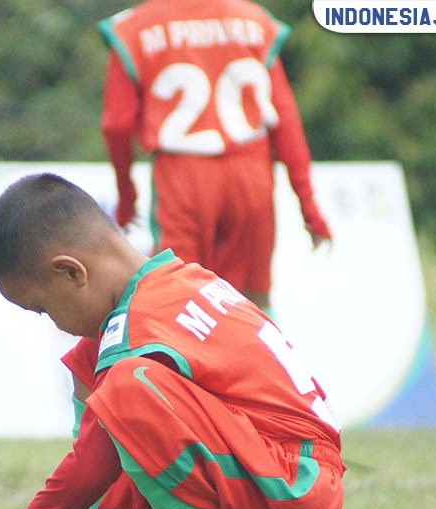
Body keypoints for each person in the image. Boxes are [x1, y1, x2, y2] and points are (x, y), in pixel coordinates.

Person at [0, 174, 344, 509]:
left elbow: (96, 456)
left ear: (71, 272)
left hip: (292, 487)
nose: (54, 322)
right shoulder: (174, 281)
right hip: (282, 470)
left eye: (43, 309)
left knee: (126, 386)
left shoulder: (140, 323)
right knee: (95, 367)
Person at [98, 0, 332, 311]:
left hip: (181, 177)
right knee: (252, 305)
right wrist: (310, 208)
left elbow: (116, 126)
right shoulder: (254, 20)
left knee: (179, 302)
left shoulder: (134, 26)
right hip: (251, 174)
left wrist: (127, 200)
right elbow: (285, 120)